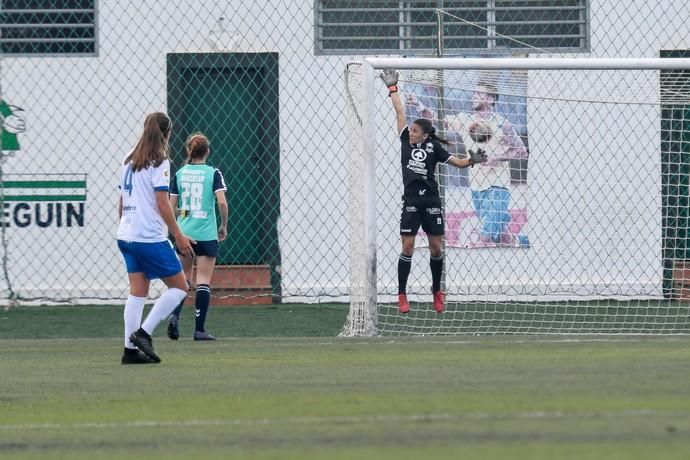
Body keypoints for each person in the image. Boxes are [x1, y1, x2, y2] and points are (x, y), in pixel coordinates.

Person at [380, 69, 487, 314]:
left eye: (416, 131)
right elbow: (399, 111)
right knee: (407, 247)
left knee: (436, 248)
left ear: (426, 135)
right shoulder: (405, 139)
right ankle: (402, 294)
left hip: (431, 201)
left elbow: (458, 163)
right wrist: (392, 87)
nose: (412, 133)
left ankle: (437, 291)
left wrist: (473, 160)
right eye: (412, 131)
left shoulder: (434, 148)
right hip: (411, 202)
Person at [117, 112, 195, 364]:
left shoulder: (128, 158)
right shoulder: (160, 161)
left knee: (137, 292)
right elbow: (163, 203)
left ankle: (130, 352)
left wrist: (126, 228)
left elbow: (122, 201)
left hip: (126, 235)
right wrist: (179, 235)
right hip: (148, 237)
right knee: (181, 287)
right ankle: (144, 333)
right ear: (167, 133)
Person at [444, 82, 528, 246]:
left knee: (485, 237)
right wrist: (419, 106)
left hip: (498, 187)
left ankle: (471, 265)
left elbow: (522, 151)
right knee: (502, 237)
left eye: (479, 93)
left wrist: (496, 158)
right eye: (474, 93)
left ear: (491, 100)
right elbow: (437, 119)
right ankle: (521, 242)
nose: (474, 96)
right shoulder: (464, 120)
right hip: (476, 186)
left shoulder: (503, 124)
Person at [166, 132, 228, 341]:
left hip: (185, 233)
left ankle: (174, 316)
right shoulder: (213, 173)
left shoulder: (180, 173)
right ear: (207, 151)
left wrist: (179, 231)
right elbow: (222, 202)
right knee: (203, 281)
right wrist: (223, 225)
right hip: (206, 234)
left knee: (183, 279)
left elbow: (170, 206)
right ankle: (199, 329)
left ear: (188, 150)